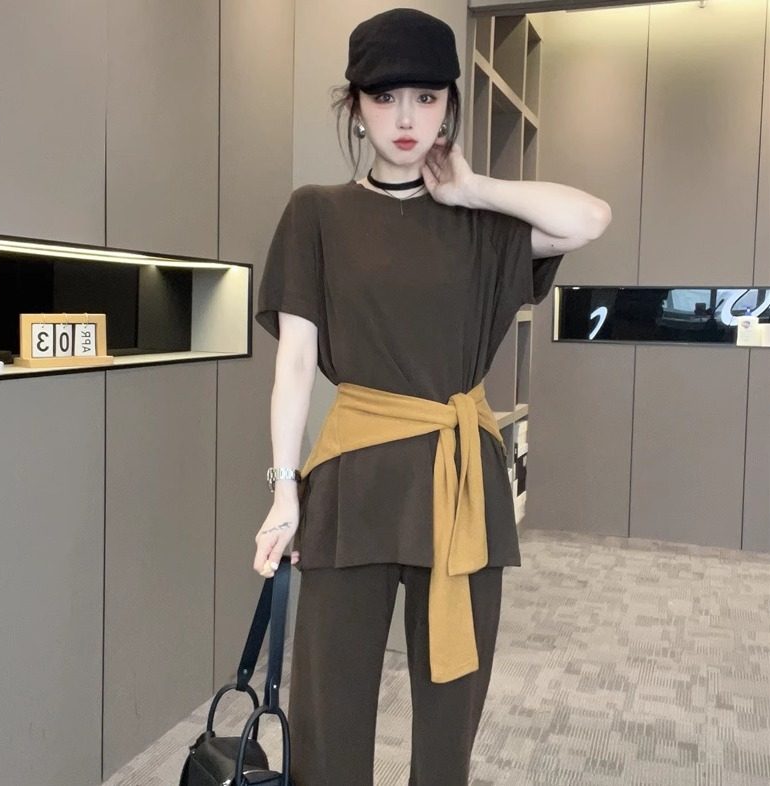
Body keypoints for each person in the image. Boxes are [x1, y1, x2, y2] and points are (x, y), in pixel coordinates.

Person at [252, 8, 611, 785]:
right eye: (385, 98)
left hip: (461, 482)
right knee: (328, 708)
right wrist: (284, 490)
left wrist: (474, 187)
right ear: (355, 106)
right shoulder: (317, 212)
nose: (407, 118)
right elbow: (295, 364)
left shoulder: (480, 222)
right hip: (354, 475)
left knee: (452, 713)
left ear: (450, 103)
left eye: (426, 96)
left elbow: (590, 218)